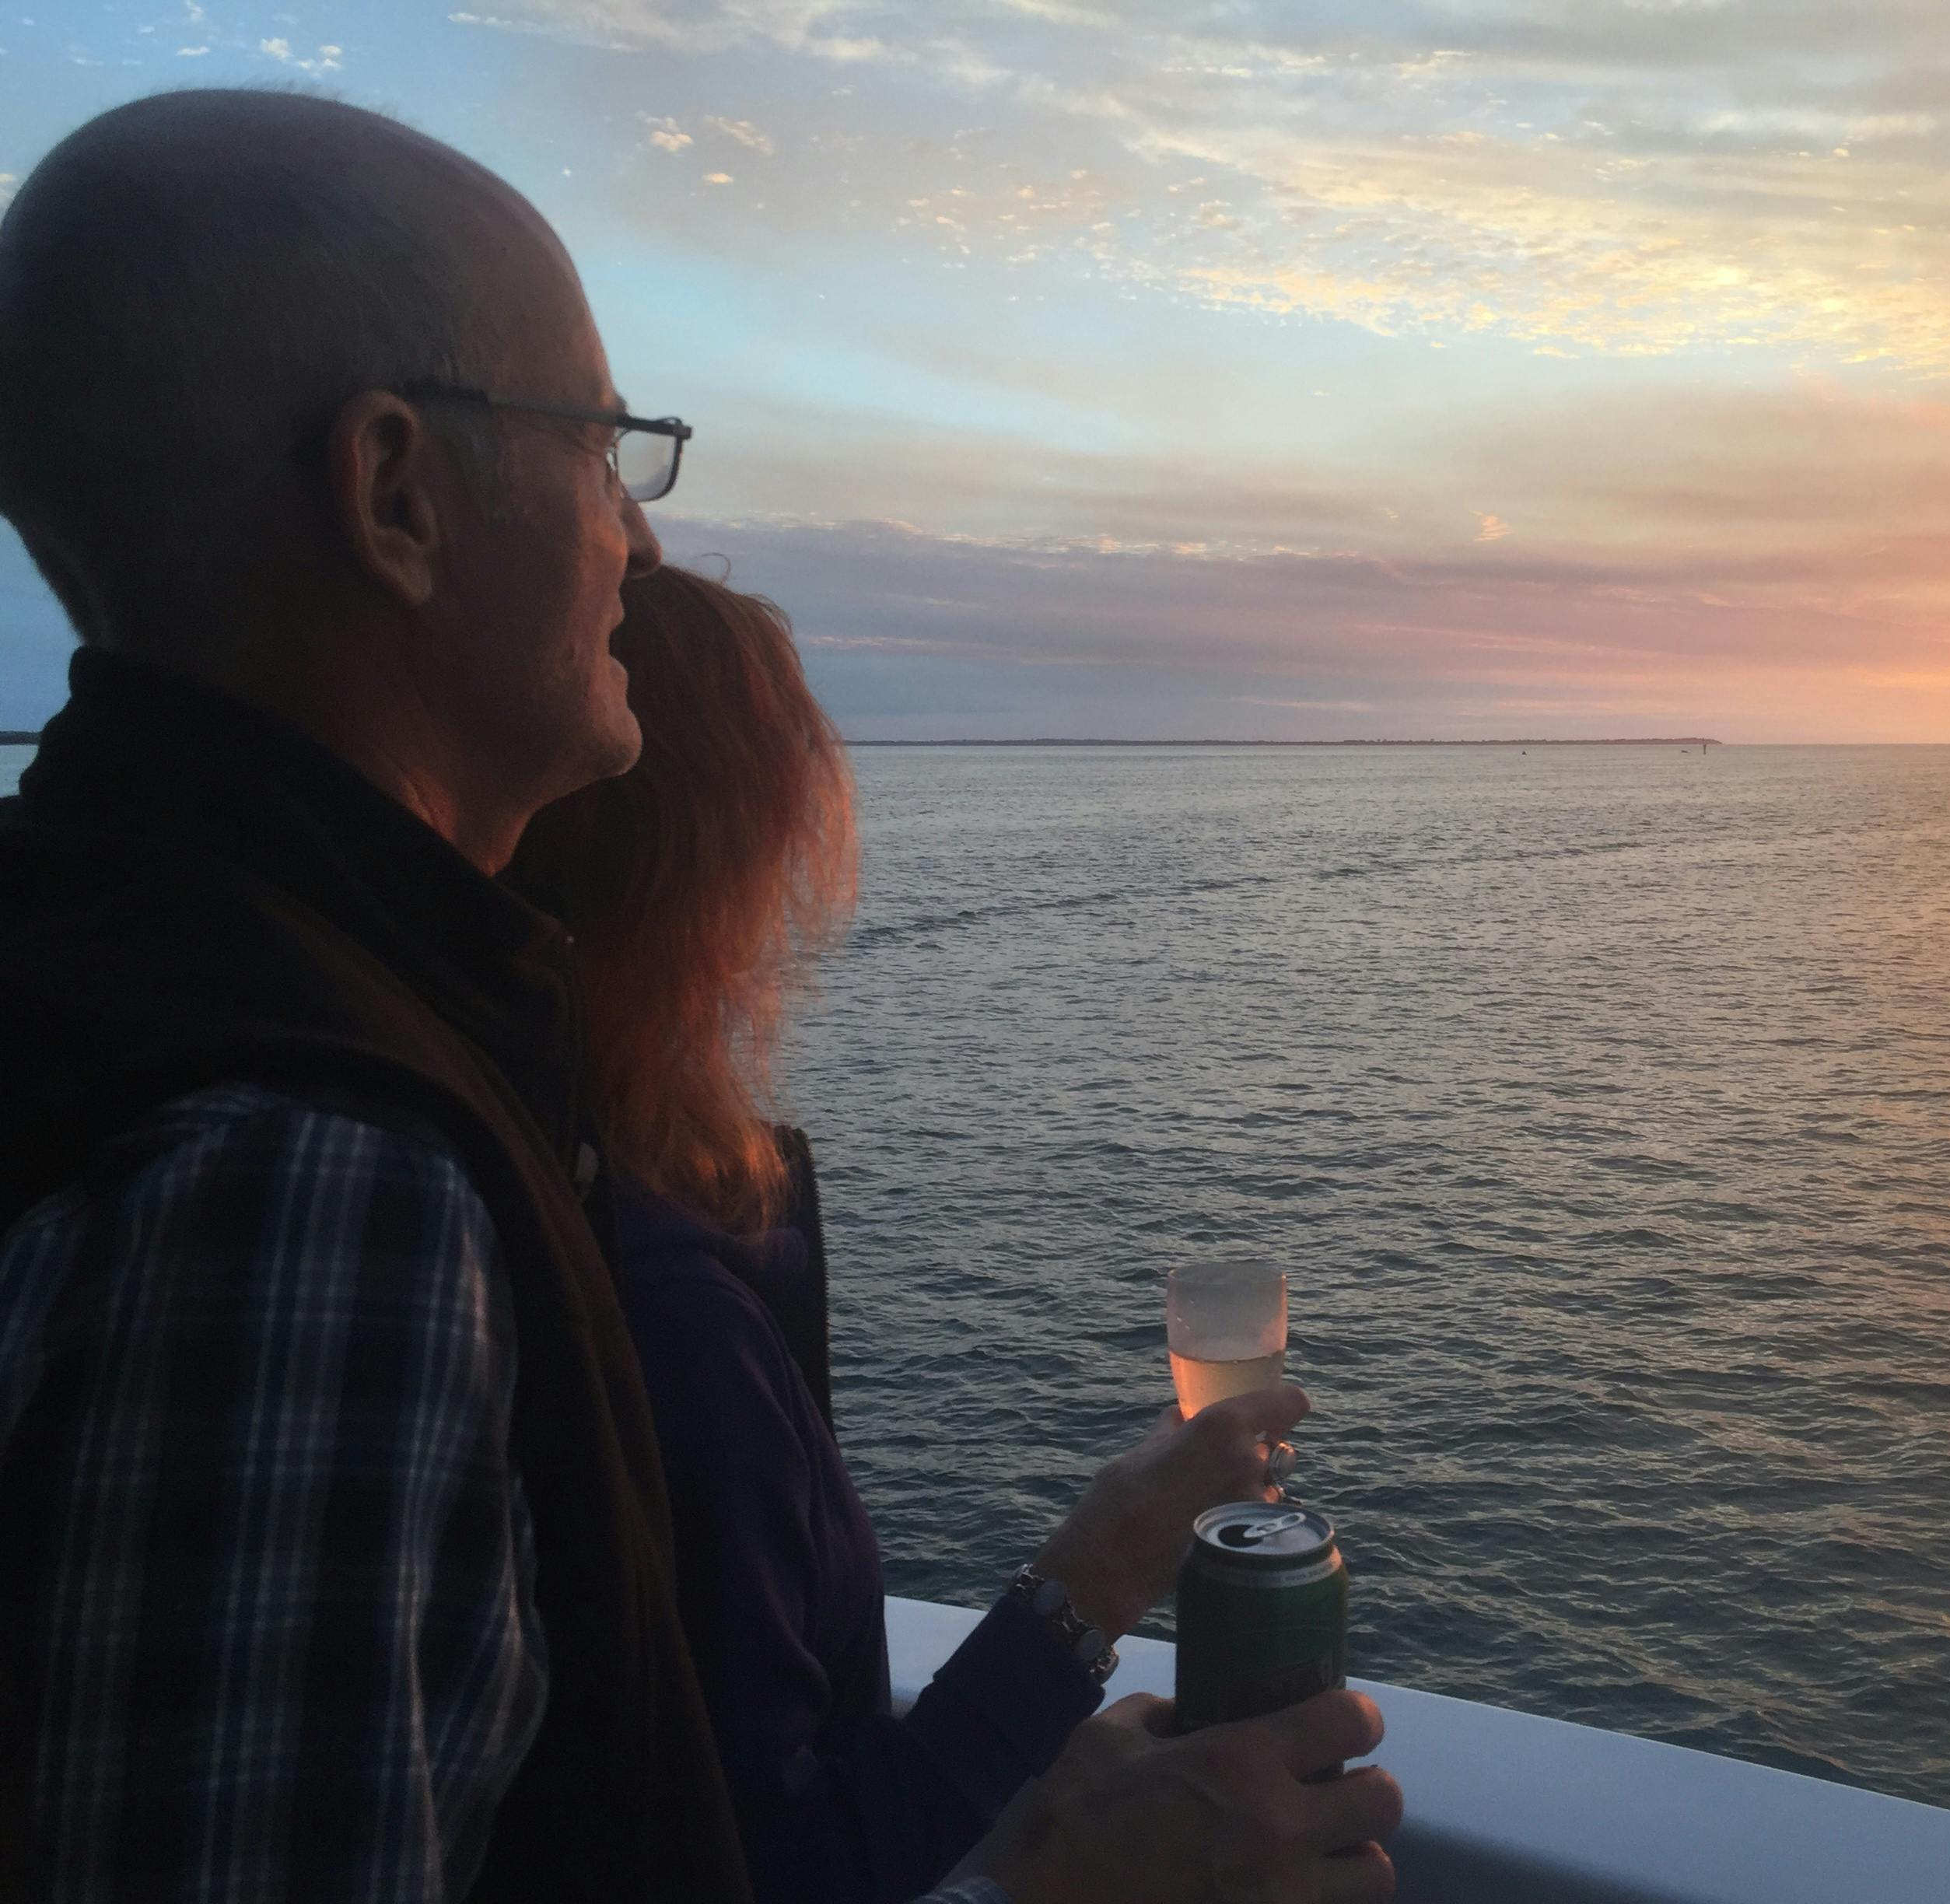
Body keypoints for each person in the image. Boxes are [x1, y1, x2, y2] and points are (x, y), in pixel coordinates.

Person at [0, 89, 1393, 1904]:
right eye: (599, 448)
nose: (640, 545)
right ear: (398, 492)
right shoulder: (307, 1181)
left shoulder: (126, 983)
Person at [506, 564, 1401, 1904]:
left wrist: (1072, 1635)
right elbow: (770, 1873)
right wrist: (1065, 1878)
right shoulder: (665, 1314)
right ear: (714, 875)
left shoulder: (546, 1188)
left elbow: (755, 1788)